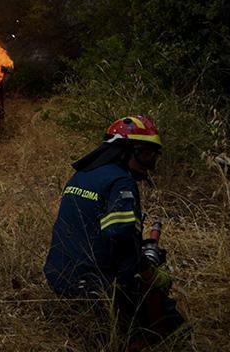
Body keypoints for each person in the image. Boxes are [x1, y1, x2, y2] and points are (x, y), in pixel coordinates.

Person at [44, 115, 185, 350]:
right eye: (145, 154)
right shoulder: (121, 182)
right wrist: (147, 272)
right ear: (124, 150)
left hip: (58, 277)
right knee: (172, 325)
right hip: (92, 288)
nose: (148, 163)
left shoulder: (82, 175)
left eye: (152, 156)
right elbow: (120, 238)